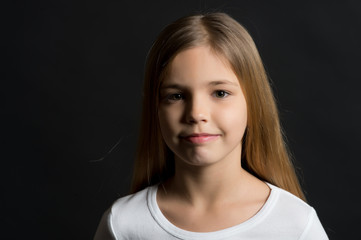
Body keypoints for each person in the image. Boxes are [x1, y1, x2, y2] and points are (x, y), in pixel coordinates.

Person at [94, 12, 328, 239]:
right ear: (155, 109)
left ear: (253, 103)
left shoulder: (295, 225)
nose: (196, 114)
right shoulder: (123, 224)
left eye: (220, 93)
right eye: (176, 96)